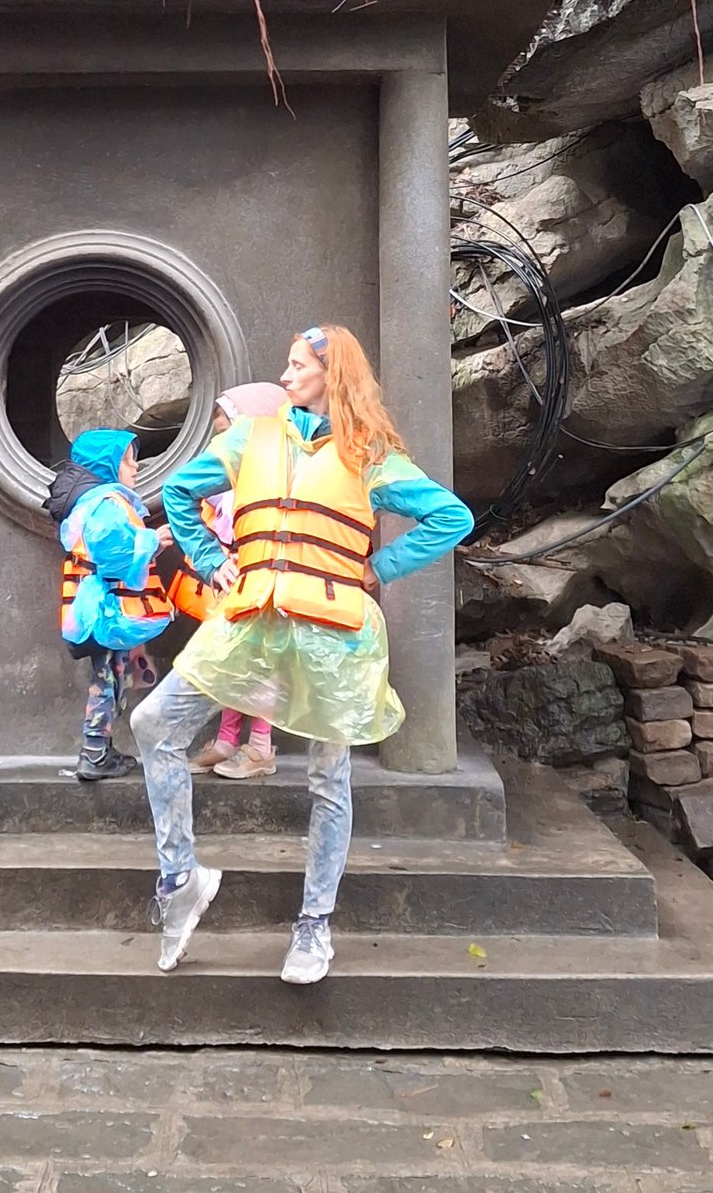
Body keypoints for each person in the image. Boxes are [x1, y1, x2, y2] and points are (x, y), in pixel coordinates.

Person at [133, 323, 472, 984]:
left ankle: (315, 924)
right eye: (286, 364)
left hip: (332, 634)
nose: (286, 376)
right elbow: (177, 491)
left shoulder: (370, 452)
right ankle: (180, 878)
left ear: (331, 373)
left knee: (328, 775)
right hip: (249, 620)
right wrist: (209, 558)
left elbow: (450, 516)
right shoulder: (250, 437)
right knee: (153, 723)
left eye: (298, 365)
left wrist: (379, 567)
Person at [174, 383, 286, 781]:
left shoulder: (276, 471)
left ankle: (260, 746)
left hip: (265, 579)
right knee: (234, 661)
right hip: (236, 579)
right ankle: (226, 740)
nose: (223, 441)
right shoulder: (229, 473)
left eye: (229, 430)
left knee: (262, 661)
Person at [50, 427, 174, 782]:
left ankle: (100, 748)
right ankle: (94, 752)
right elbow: (114, 557)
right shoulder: (107, 504)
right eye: (128, 461)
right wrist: (153, 540)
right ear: (107, 465)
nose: (135, 468)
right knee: (105, 679)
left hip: (96, 610)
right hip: (105, 611)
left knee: (112, 675)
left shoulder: (94, 502)